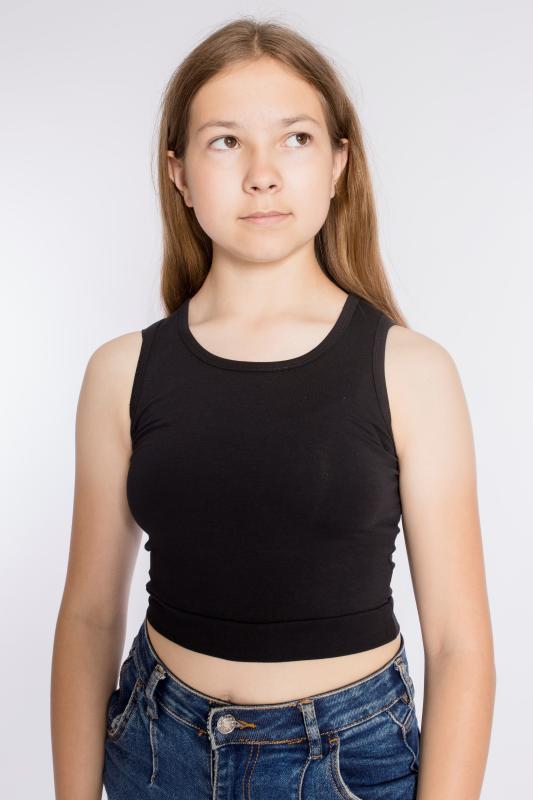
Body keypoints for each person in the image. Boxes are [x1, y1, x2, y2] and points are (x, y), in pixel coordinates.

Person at [50, 16, 496, 800]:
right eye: (225, 141)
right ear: (179, 172)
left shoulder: (410, 371)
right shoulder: (122, 372)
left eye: (294, 138)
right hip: (156, 753)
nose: (262, 174)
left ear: (337, 164)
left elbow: (460, 643)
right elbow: (88, 615)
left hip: (348, 764)